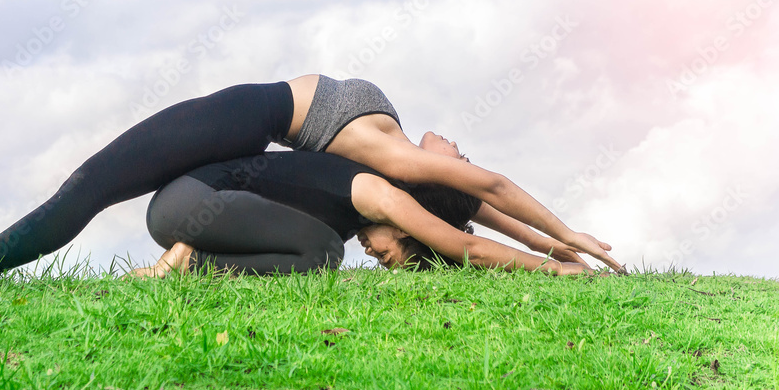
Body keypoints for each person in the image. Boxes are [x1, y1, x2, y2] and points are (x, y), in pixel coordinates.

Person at [0, 74, 621, 284]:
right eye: (461, 162)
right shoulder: (399, 163)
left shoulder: (401, 170)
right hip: (239, 128)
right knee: (88, 190)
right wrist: (556, 246)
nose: (461, 155)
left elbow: (476, 206)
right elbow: (473, 205)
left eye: (459, 162)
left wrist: (564, 245)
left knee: (89, 191)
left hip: (242, 135)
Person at [131, 145, 596, 277]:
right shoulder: (380, 193)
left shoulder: (350, 210)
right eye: (387, 254)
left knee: (319, 253)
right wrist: (555, 269)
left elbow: (473, 214)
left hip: (187, 211)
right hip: (194, 201)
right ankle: (187, 260)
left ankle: (191, 260)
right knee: (325, 253)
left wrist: (547, 242)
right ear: (405, 226)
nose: (372, 254)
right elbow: (467, 246)